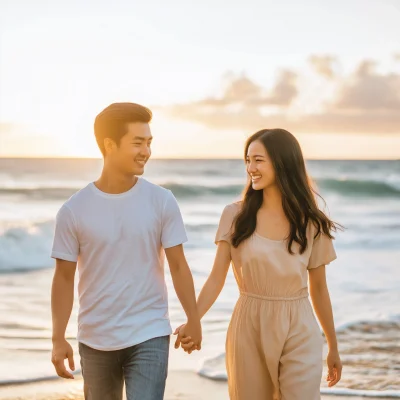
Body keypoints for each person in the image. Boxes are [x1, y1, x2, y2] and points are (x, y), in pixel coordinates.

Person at [175, 128, 342, 400]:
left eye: (258, 160)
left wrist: (333, 346)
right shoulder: (235, 215)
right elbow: (216, 277)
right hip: (249, 324)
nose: (250, 168)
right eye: (247, 160)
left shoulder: (311, 222)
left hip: (299, 324)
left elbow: (319, 288)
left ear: (282, 162)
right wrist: (194, 320)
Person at [50, 102, 202, 400]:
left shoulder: (162, 201)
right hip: (95, 338)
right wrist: (58, 338)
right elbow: (64, 278)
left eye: (149, 142)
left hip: (150, 332)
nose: (146, 151)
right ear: (109, 144)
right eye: (137, 143)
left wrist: (194, 319)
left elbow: (179, 266)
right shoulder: (74, 210)